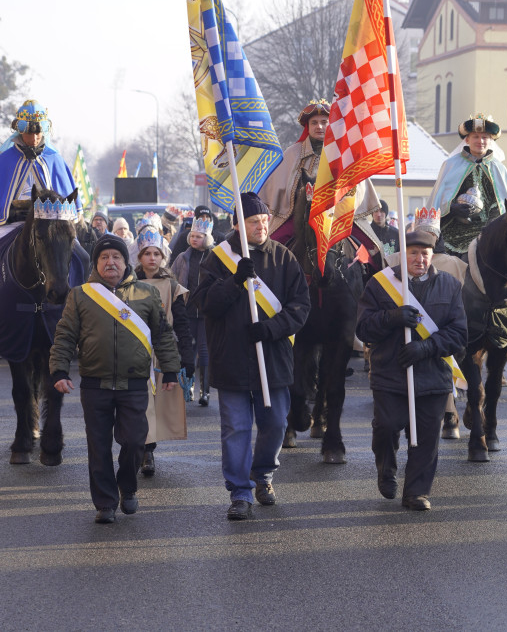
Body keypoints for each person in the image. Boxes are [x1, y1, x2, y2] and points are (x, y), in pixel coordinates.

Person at [189, 192, 310, 520]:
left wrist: (271, 329)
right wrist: (235, 281)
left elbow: (301, 307)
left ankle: (264, 474)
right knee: (236, 428)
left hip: (274, 359)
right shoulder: (217, 259)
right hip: (232, 360)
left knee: (275, 423)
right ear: (237, 224)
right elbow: (206, 303)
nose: (262, 227)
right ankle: (240, 493)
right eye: (254, 222)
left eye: (265, 221)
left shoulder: (284, 258)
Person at [49, 234, 181, 524]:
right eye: (104, 257)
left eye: (116, 257)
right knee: (98, 446)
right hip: (95, 385)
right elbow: (65, 335)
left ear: (126, 261)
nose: (111, 262)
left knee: (134, 442)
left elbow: (162, 336)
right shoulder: (80, 294)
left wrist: (171, 370)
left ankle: (128, 486)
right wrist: (58, 370)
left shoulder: (146, 293)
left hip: (134, 384)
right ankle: (105, 503)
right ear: (96, 263)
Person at [358, 225, 468, 510]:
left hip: (433, 376)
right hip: (389, 373)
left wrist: (426, 347)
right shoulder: (379, 284)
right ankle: (386, 469)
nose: (420, 259)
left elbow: (458, 333)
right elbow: (363, 329)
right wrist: (392, 318)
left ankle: (417, 492)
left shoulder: (450, 285)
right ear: (403, 256)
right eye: (414, 253)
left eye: (426, 253)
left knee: (428, 437)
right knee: (387, 427)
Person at [383, 208, 469, 440]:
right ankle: (448, 416)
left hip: (438, 336)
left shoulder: (455, 265)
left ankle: (449, 414)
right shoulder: (391, 262)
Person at [0, 100, 78, 255]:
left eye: (38, 133)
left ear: (44, 131)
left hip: (51, 227)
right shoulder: (4, 160)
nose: (33, 139)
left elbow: (67, 200)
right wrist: (10, 212)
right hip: (10, 224)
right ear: (19, 131)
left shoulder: (55, 159)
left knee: (83, 258)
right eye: (29, 133)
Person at [260, 98, 382, 239]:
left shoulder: (344, 153)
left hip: (340, 218)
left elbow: (358, 188)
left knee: (374, 249)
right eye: (314, 123)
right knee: (269, 245)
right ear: (308, 127)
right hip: (299, 218)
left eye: (324, 122)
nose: (319, 127)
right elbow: (277, 188)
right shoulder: (293, 153)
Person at [134, 229, 195, 477]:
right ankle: (141, 447)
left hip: (162, 353)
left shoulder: (172, 286)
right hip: (135, 352)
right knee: (139, 403)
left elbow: (181, 322)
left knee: (156, 404)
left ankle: (148, 449)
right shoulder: (128, 285)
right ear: (139, 257)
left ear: (162, 257)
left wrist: (187, 356)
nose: (151, 258)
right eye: (146, 253)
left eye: (155, 253)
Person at [434, 113, 507, 257]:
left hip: (491, 232)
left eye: (485, 137)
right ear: (467, 139)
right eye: (476, 137)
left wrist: (492, 225)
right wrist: (452, 208)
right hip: (455, 231)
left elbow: (505, 206)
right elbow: (437, 201)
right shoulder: (450, 166)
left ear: (490, 141)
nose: (480, 141)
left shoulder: (498, 168)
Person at [171, 216, 215, 406]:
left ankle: (205, 392)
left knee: (204, 352)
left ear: (207, 237)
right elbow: (172, 279)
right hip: (187, 310)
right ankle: (187, 385)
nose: (195, 239)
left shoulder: (215, 256)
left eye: (199, 236)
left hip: (206, 311)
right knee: (188, 348)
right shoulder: (183, 257)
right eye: (193, 235)